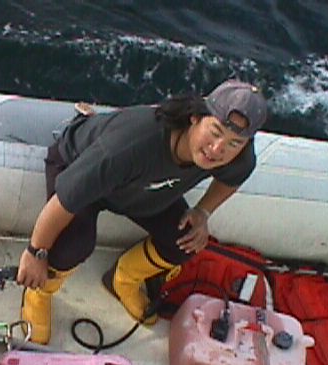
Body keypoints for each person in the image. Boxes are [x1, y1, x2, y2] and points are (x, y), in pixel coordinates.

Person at [16, 79, 268, 345]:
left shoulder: (236, 157)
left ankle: (124, 279)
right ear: (195, 117)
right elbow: (63, 201)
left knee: (186, 241)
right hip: (80, 168)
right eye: (215, 132)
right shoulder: (131, 144)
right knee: (74, 244)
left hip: (142, 192)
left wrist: (203, 212)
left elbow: (233, 178)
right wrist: (35, 253)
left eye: (234, 143)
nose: (217, 149)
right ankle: (39, 292)